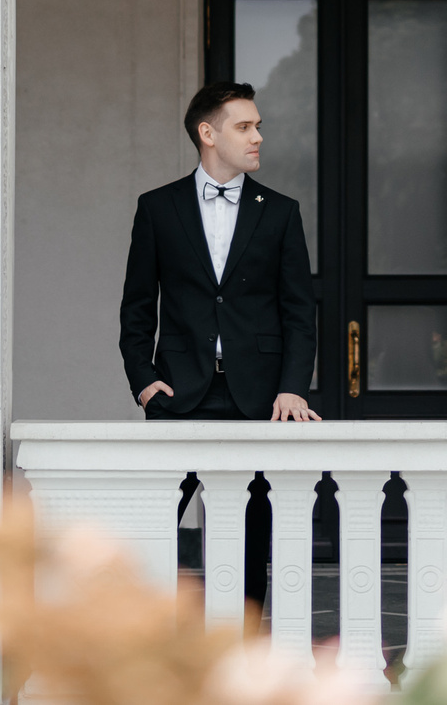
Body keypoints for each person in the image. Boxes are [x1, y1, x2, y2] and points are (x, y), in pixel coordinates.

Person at [118, 82, 320, 606]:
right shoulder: (157, 208)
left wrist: (293, 388)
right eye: (245, 126)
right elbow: (137, 306)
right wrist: (143, 381)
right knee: (152, 528)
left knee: (253, 534)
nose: (258, 137)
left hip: (260, 399)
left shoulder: (280, 212)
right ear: (208, 134)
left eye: (258, 127)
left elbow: (300, 311)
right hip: (179, 393)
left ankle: (245, 655)